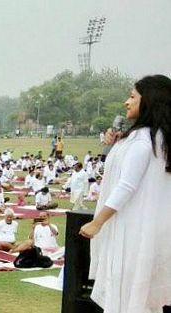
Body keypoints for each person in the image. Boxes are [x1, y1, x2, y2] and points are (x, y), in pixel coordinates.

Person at [79, 75, 171, 313]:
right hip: (149, 229)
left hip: (132, 230)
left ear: (148, 101)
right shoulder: (157, 139)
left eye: (132, 97)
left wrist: (97, 222)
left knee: (128, 296)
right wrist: (119, 143)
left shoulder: (144, 142)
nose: (126, 102)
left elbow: (126, 186)